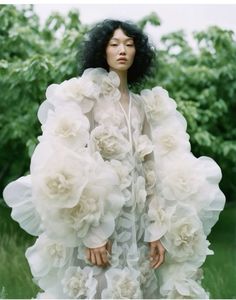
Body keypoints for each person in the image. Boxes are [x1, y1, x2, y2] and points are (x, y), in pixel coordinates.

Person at [3, 19, 225, 299]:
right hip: (101, 218)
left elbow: (150, 170)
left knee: (134, 287)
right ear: (102, 51)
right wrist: (92, 233)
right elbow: (76, 162)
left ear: (138, 53)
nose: (122, 50)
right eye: (114, 44)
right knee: (100, 286)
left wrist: (156, 230)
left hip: (136, 221)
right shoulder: (90, 100)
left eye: (129, 44)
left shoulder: (141, 106)